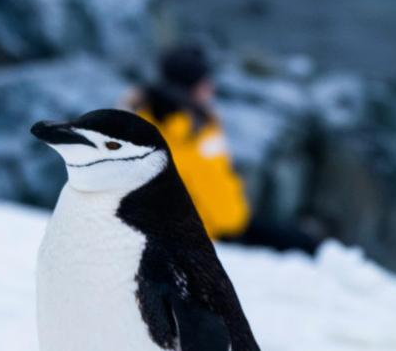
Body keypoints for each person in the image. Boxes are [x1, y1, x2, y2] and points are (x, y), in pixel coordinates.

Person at [127, 45, 321, 254]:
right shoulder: (163, 131)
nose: (211, 88)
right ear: (188, 86)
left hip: (230, 223)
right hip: (208, 234)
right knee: (303, 245)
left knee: (304, 241)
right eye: (204, 82)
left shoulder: (200, 122)